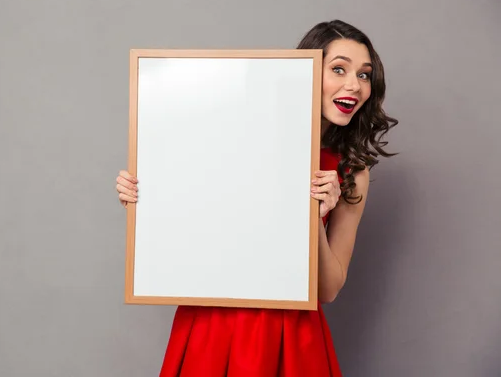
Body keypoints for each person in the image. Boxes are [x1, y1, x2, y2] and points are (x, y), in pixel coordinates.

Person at [115, 20, 398, 377]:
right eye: (339, 69)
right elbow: (192, 229)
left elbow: (328, 290)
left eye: (364, 75)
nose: (353, 85)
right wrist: (147, 199)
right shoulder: (236, 133)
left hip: (291, 335)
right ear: (306, 71)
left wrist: (310, 214)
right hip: (213, 323)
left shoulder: (351, 171)